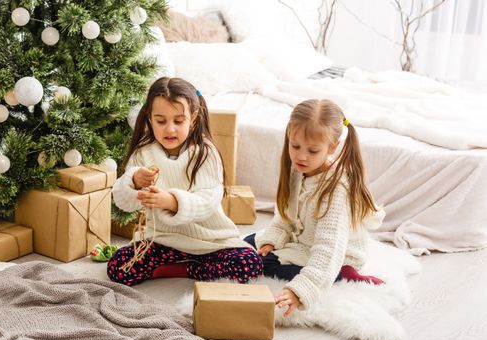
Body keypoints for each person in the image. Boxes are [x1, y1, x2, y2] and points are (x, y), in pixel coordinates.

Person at [108, 77, 262, 286]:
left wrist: (171, 202)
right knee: (118, 266)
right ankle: (183, 266)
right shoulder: (143, 153)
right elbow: (123, 203)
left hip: (210, 241)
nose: (169, 129)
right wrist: (134, 181)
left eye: (178, 121)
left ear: (194, 118)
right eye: (161, 121)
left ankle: (185, 268)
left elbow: (208, 201)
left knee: (250, 264)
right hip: (163, 239)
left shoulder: (205, 153)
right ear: (149, 119)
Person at [244, 99, 384, 316]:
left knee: (263, 266)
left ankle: (344, 274)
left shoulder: (337, 189)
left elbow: (328, 247)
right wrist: (274, 239)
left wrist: (300, 291)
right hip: (304, 240)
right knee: (246, 245)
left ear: (332, 146)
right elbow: (285, 215)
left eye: (312, 150)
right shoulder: (298, 168)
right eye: (295, 146)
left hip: (338, 254)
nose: (301, 156)